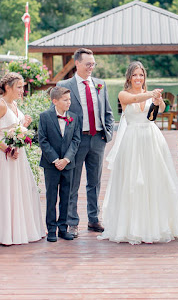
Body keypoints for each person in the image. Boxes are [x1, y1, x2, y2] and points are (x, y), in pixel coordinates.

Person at [99, 62, 178, 244]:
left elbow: (156, 114)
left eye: (141, 75)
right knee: (133, 180)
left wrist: (157, 101)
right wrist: (151, 94)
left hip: (151, 138)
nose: (138, 78)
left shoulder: (150, 96)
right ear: (129, 77)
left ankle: (158, 224)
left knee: (155, 178)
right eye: (135, 75)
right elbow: (134, 99)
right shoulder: (123, 94)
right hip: (132, 140)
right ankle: (133, 226)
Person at [57, 48, 114, 237]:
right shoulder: (64, 85)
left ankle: (94, 219)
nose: (91, 67)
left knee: (95, 182)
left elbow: (108, 112)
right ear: (77, 64)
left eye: (93, 64)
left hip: (98, 139)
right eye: (88, 64)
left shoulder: (100, 84)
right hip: (75, 141)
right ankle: (72, 222)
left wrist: (107, 133)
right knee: (72, 182)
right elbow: (57, 114)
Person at [0, 72, 46, 245]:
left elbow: (12, 127)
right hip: (5, 154)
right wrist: (7, 149)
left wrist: (23, 125)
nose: (22, 90)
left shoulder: (14, 103)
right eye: (19, 87)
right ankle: (5, 233)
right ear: (7, 87)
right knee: (7, 190)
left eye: (22, 87)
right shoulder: (1, 105)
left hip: (19, 154)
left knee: (20, 189)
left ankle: (21, 229)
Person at [38, 87, 82, 242]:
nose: (69, 102)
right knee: (51, 197)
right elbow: (43, 140)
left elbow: (76, 140)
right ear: (55, 101)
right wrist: (56, 160)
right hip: (51, 164)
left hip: (68, 164)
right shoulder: (45, 117)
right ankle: (51, 229)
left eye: (69, 99)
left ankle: (63, 228)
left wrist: (66, 159)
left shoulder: (74, 117)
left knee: (66, 197)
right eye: (65, 100)